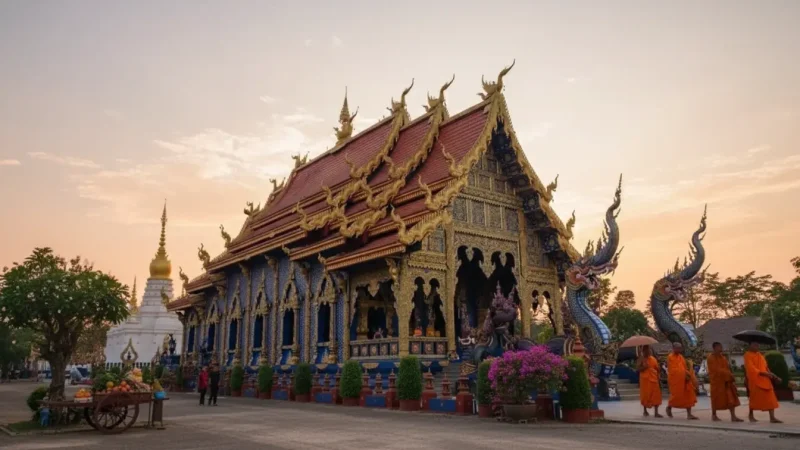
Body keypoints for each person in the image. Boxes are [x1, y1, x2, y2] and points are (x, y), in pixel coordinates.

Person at [743, 342, 782, 423]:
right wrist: (764, 373)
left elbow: (765, 367)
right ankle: (751, 415)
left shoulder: (760, 355)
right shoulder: (747, 355)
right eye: (755, 345)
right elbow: (751, 369)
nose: (757, 346)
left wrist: (774, 376)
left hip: (765, 379)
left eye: (758, 345)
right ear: (749, 346)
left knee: (771, 398)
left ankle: (772, 417)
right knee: (754, 399)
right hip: (755, 380)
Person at [707, 342, 742, 422]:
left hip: (726, 382)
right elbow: (716, 370)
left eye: (721, 346)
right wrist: (728, 374)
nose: (721, 348)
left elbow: (726, 368)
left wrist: (730, 373)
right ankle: (714, 415)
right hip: (717, 382)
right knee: (715, 399)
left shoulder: (723, 358)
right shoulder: (710, 358)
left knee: (731, 399)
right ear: (715, 348)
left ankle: (733, 416)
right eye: (719, 347)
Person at [666, 342, 698, 419]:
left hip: (684, 379)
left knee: (688, 395)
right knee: (676, 396)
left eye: (680, 348)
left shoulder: (681, 357)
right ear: (674, 348)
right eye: (678, 348)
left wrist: (687, 374)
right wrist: (683, 374)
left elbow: (684, 368)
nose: (680, 349)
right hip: (676, 380)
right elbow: (673, 370)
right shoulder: (670, 357)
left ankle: (689, 414)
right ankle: (669, 407)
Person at [636, 345, 663, 417]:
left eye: (649, 350)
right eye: (646, 350)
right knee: (645, 395)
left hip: (654, 379)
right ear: (643, 351)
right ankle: (645, 411)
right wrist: (644, 367)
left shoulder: (653, 359)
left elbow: (657, 368)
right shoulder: (641, 359)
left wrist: (658, 369)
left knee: (656, 396)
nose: (648, 351)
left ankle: (656, 412)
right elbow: (638, 369)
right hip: (645, 380)